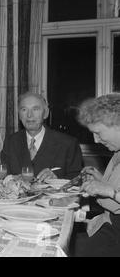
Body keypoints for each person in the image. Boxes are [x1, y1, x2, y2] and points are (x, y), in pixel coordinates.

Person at [73, 93, 120, 257]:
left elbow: (114, 193)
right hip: (109, 223)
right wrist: (100, 181)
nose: (96, 140)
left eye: (98, 133)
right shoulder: (117, 154)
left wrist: (110, 192)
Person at [0, 92, 83, 181]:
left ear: (45, 113)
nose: (29, 115)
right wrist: (11, 179)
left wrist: (57, 179)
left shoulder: (68, 144)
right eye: (24, 109)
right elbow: (3, 177)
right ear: (19, 115)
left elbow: (77, 179)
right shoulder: (11, 142)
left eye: (35, 109)